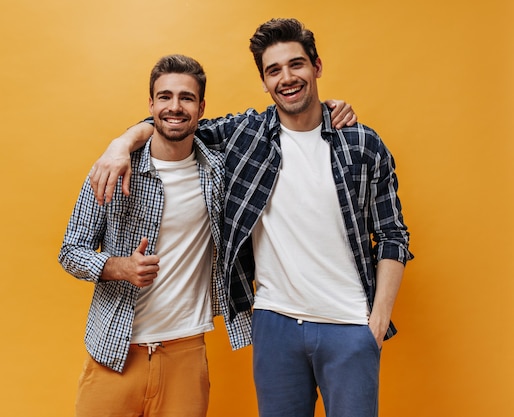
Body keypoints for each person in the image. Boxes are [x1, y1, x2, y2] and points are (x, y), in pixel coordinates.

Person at [89, 18, 413, 417]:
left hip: (350, 325)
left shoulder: (362, 143)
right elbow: (174, 123)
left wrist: (376, 323)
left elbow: (393, 235)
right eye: (273, 70)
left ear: (317, 66)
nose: (287, 78)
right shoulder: (246, 136)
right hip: (275, 325)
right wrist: (120, 144)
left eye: (296, 65)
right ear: (263, 81)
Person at [58, 54, 253, 417]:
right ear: (150, 105)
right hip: (115, 353)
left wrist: (329, 108)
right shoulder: (112, 169)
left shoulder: (218, 173)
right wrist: (118, 267)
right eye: (164, 97)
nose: (174, 107)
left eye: (186, 98)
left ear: (201, 107)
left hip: (186, 354)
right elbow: (70, 250)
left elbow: (277, 123)